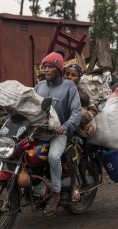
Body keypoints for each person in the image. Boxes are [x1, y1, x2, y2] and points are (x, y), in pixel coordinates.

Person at [35, 52, 81, 216]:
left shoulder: (69, 86)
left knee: (54, 157)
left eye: (50, 67)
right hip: (39, 130)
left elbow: (76, 112)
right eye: (44, 66)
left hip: (59, 133)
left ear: (59, 69)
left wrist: (66, 126)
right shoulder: (39, 86)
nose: (46, 70)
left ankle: (55, 193)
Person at [63, 64, 98, 202]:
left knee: (69, 154)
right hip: (57, 129)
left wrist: (80, 119)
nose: (70, 77)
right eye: (67, 74)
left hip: (74, 133)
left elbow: (93, 109)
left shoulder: (82, 92)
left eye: (73, 75)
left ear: (79, 78)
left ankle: (74, 186)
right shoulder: (56, 88)